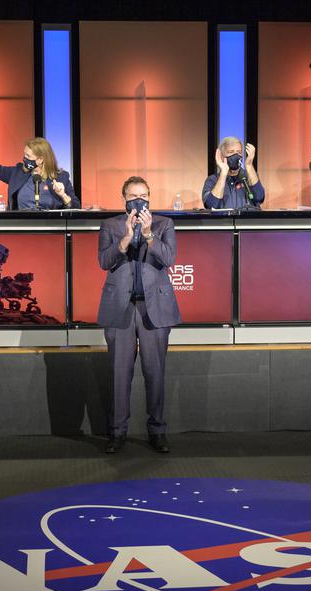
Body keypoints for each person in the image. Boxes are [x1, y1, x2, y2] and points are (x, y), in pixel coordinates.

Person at [97, 176, 181, 454]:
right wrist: (124, 240)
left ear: (150, 197)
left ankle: (157, 431)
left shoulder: (164, 224)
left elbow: (168, 259)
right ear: (124, 198)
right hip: (120, 308)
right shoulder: (110, 225)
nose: (139, 200)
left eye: (144, 195)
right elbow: (104, 261)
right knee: (119, 374)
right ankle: (117, 432)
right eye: (134, 195)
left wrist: (147, 235)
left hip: (154, 308)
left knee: (155, 372)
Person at [0, 122, 78, 210]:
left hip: (51, 232)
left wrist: (63, 195)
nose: (24, 159)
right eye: (24, 155)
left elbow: (76, 207)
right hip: (22, 229)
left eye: (28, 157)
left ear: (40, 160)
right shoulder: (18, 172)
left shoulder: (61, 177)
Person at [202, 137, 264, 210]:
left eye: (239, 152)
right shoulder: (212, 180)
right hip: (223, 221)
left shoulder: (249, 176)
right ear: (222, 156)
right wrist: (223, 173)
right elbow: (211, 206)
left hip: (247, 221)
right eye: (231, 152)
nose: (236, 155)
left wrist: (249, 165)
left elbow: (260, 198)